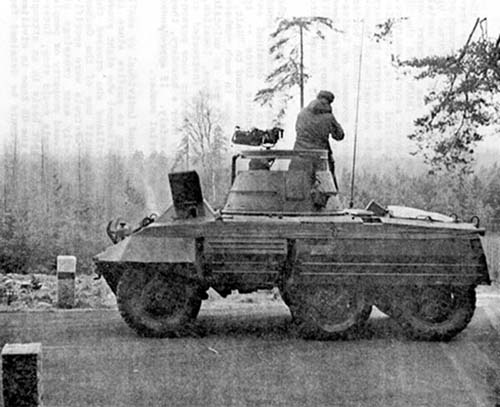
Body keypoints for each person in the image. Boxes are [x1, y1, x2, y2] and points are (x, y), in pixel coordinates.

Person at [291, 90, 344, 187]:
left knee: (295, 188)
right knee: (325, 190)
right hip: (320, 159)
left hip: (299, 156)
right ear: (329, 102)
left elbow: (297, 129)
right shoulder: (329, 117)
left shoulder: (302, 113)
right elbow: (339, 135)